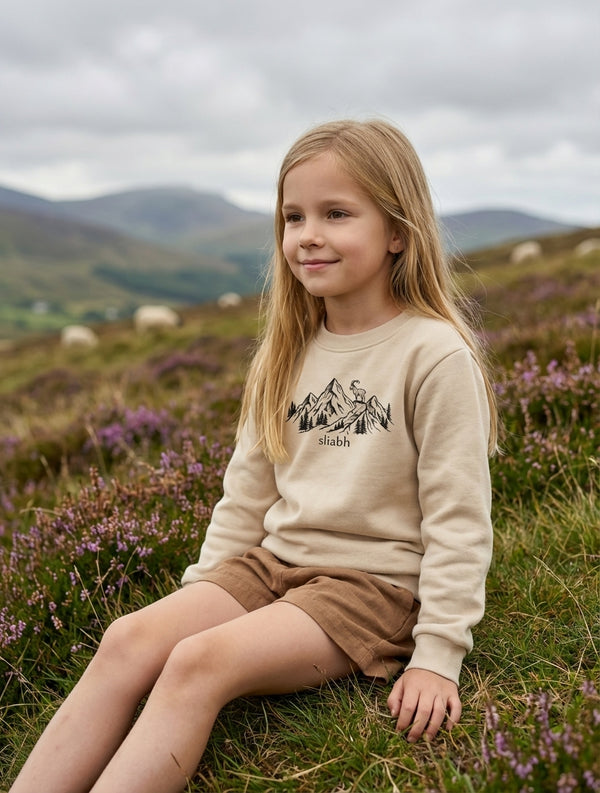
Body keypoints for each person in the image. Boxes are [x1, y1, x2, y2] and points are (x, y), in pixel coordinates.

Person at [10, 118, 497, 793]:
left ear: (396, 232)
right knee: (129, 638)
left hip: (369, 588)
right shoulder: (287, 349)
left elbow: (459, 518)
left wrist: (439, 655)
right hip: (271, 566)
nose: (308, 234)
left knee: (197, 663)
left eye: (336, 213)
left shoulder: (433, 353)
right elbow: (246, 492)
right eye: (293, 216)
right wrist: (207, 592)